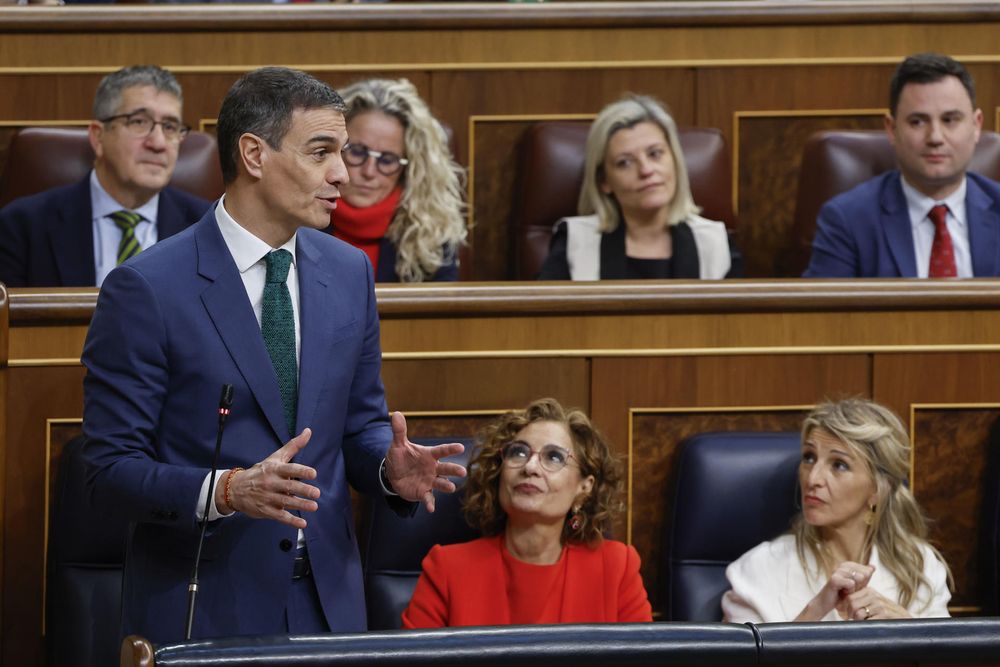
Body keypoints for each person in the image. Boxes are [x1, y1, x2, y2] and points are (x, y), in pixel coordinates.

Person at [81, 66, 466, 644]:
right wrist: (227, 491)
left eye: (341, 152)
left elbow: (358, 425)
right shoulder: (147, 288)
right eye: (321, 152)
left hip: (328, 604)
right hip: (205, 605)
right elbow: (108, 472)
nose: (341, 173)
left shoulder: (349, 271)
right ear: (254, 155)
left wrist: (388, 469)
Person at [402, 397, 652, 627]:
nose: (530, 467)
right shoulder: (447, 569)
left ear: (584, 487)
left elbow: (644, 655)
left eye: (554, 457)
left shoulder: (616, 568)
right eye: (518, 452)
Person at [722, 398, 952, 623]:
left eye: (839, 465)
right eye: (809, 458)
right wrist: (815, 610)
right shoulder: (758, 569)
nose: (813, 478)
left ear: (879, 488)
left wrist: (907, 627)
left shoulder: (919, 565)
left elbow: (945, 648)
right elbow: (739, 650)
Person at [0, 65, 209, 287]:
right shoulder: (21, 226)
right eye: (139, 122)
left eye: (170, 127)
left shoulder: (207, 226)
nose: (158, 143)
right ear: (98, 137)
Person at [804, 53, 1000, 278]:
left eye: (950, 120)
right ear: (892, 129)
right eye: (917, 122)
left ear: (976, 126)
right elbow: (825, 302)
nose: (935, 137)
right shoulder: (848, 220)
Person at [537, 94, 739, 280]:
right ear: (604, 181)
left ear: (675, 161)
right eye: (625, 162)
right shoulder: (575, 243)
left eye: (655, 154)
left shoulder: (715, 243)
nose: (646, 170)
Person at [328, 78, 466, 282]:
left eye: (387, 160)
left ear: (407, 168)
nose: (369, 172)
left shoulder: (429, 232)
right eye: (357, 152)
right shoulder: (298, 220)